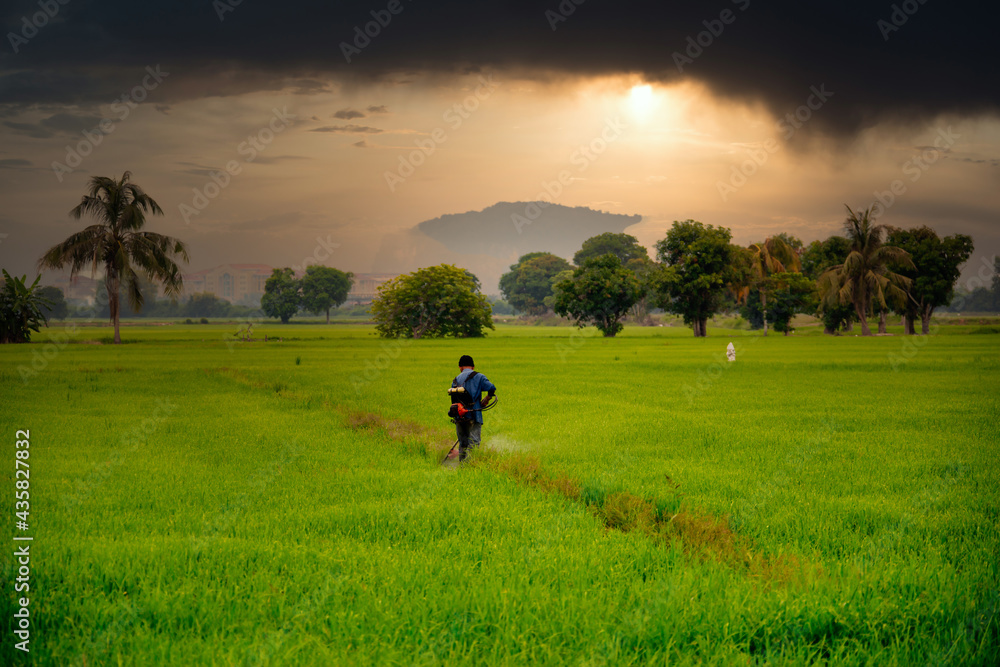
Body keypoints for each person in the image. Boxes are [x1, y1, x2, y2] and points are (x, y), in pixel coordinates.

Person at [451, 354, 496, 462]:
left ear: (460, 367)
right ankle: (470, 468)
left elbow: (453, 401)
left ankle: (462, 468)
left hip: (459, 416)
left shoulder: (455, 380)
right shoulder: (479, 376)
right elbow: (492, 388)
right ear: (473, 367)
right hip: (474, 415)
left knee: (463, 444)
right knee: (474, 443)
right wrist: (487, 398)